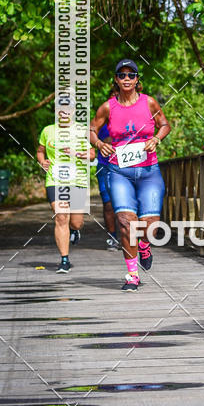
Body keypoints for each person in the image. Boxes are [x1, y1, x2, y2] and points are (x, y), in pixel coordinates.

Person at [90, 60, 171, 291]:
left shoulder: (149, 102)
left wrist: (157, 138)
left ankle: (144, 244)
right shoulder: (107, 107)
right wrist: (97, 143)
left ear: (137, 79)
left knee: (150, 227)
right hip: (119, 173)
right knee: (126, 224)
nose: (126, 78)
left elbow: (164, 124)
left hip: (148, 172)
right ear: (116, 79)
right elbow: (92, 129)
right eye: (121, 75)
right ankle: (132, 275)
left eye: (131, 75)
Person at [37, 104, 95, 273]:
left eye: (68, 109)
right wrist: (42, 161)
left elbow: (92, 155)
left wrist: (76, 153)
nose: (64, 112)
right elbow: (40, 150)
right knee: (61, 216)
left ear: (73, 112)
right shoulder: (48, 130)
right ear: (56, 111)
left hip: (77, 180)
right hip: (55, 180)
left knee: (76, 222)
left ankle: (74, 230)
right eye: (60, 109)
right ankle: (64, 260)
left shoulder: (81, 130)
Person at [95, 113, 119, 250]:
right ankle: (113, 237)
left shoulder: (131, 121)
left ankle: (132, 237)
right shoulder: (100, 124)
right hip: (104, 166)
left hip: (125, 166)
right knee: (108, 204)